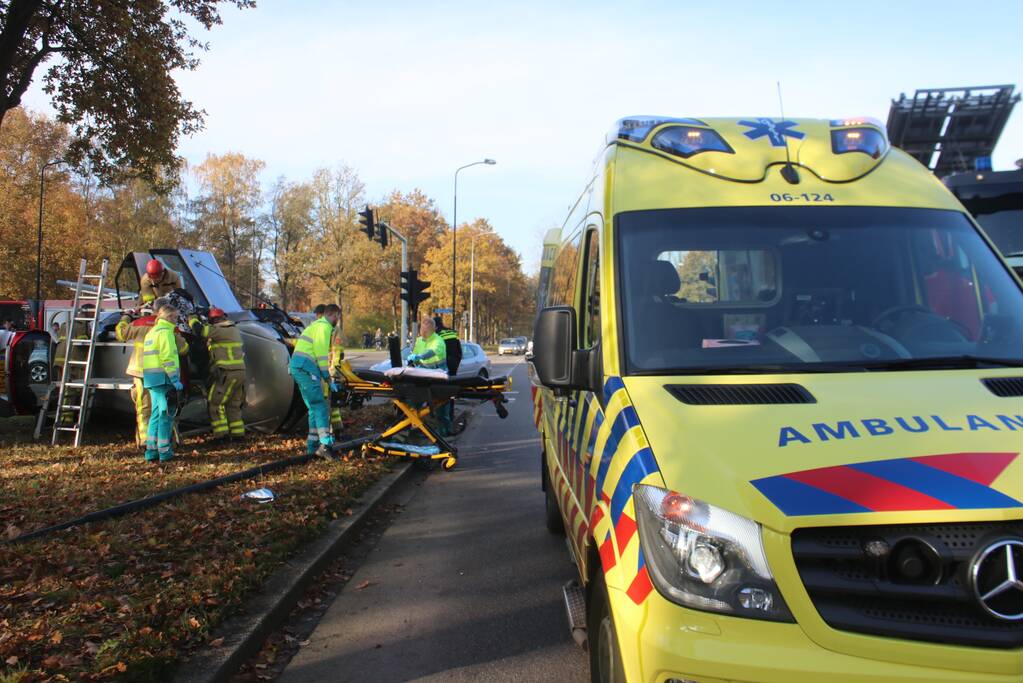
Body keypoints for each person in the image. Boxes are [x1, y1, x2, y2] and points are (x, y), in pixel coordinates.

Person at [116, 305, 188, 447]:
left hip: (140, 371)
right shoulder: (170, 329)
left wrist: (126, 317)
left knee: (144, 407)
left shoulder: (137, 324)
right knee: (164, 407)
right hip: (161, 374)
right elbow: (184, 349)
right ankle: (165, 441)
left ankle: (145, 440)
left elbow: (120, 334)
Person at [290, 303, 339, 458]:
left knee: (313, 407)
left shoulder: (316, 325)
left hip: (300, 367)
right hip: (306, 368)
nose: (338, 320)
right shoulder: (324, 328)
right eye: (338, 316)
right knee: (319, 405)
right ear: (335, 314)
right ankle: (325, 444)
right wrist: (328, 379)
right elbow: (321, 355)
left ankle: (312, 446)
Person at [142, 305, 183, 462]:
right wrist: (174, 379)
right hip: (164, 379)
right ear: (169, 317)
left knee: (155, 415)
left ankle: (151, 450)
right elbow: (168, 358)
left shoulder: (152, 332)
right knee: (165, 415)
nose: (176, 320)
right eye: (175, 317)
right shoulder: (166, 333)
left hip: (152, 380)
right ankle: (164, 452)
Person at [199, 307, 247, 440]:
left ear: (214, 320)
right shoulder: (233, 329)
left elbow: (200, 331)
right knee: (233, 405)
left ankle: (221, 436)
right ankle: (238, 435)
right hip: (239, 373)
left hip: (227, 373)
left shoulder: (221, 330)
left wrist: (192, 319)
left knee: (215, 403)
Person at [326, 317, 346, 434]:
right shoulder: (331, 329)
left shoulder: (334, 331)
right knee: (333, 405)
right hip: (329, 369)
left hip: (331, 370)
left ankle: (332, 431)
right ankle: (337, 430)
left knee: (330, 402)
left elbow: (337, 352)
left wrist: (333, 372)